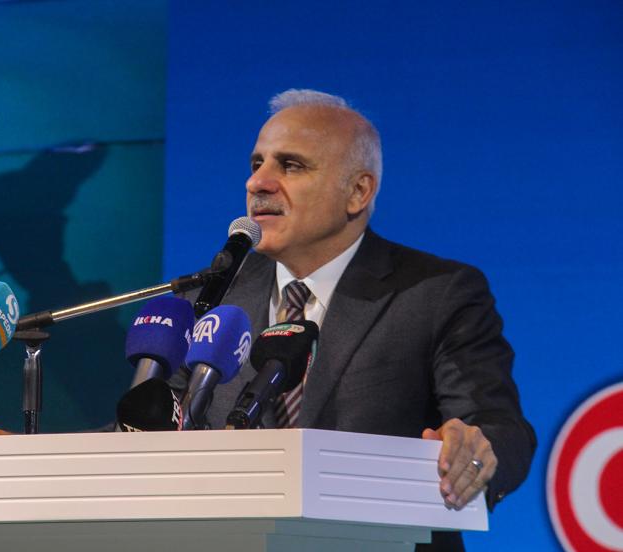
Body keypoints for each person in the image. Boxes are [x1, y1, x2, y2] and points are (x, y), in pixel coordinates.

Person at [173, 89, 535, 551]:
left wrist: (475, 450)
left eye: (290, 165)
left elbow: (500, 429)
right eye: (256, 163)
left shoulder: (435, 294)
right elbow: (153, 428)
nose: (257, 182)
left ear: (358, 192)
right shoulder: (211, 299)